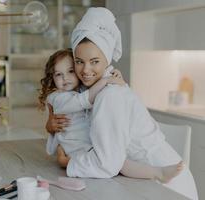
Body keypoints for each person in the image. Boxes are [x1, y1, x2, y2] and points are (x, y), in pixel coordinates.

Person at [45, 7, 198, 200]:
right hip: (134, 181)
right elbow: (76, 126)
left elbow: (107, 164)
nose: (85, 70)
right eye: (79, 61)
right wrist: (51, 127)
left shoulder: (110, 96)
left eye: (94, 61)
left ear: (107, 59)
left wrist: (68, 162)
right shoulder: (90, 89)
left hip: (167, 188)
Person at [39, 48, 184, 184]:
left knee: (119, 164)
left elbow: (92, 92)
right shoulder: (57, 98)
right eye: (58, 74)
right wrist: (106, 81)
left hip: (89, 147)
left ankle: (158, 173)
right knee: (117, 165)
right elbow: (84, 100)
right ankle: (157, 173)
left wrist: (113, 76)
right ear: (52, 78)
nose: (65, 78)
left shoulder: (82, 90)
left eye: (70, 71)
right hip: (77, 149)